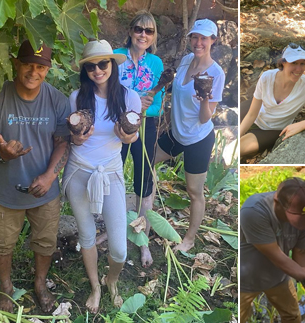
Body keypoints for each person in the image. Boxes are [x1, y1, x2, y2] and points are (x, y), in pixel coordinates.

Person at [0, 40, 70, 313]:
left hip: (44, 190)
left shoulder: (56, 99)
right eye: (27, 64)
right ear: (16, 63)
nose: (33, 71)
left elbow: (63, 142)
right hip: (5, 190)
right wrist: (3, 153)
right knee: (3, 243)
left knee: (45, 241)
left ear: (48, 69)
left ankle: (40, 283)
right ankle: (6, 286)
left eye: (40, 66)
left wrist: (50, 176)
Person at [62, 40, 141, 313]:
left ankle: (112, 279)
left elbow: (133, 135)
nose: (98, 70)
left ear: (112, 65)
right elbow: (73, 140)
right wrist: (77, 138)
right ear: (85, 70)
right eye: (91, 66)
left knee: (119, 248)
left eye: (103, 64)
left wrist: (128, 136)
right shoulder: (77, 98)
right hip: (79, 170)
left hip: (110, 172)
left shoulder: (129, 97)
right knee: (86, 234)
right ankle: (96, 285)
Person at [152, 19, 224, 252]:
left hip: (198, 139)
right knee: (147, 161)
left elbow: (205, 118)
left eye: (204, 38)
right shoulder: (184, 61)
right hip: (176, 133)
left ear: (213, 40)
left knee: (194, 192)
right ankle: (147, 213)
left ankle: (189, 239)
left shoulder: (216, 73)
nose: (198, 42)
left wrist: (204, 100)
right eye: (195, 37)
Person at [240, 178, 305, 323]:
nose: (297, 222)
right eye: (293, 216)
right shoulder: (254, 211)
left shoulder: (303, 216)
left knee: (293, 317)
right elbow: (275, 255)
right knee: (240, 317)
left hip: (279, 278)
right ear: (277, 201)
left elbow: (300, 252)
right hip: (246, 281)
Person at [115, 10, 165, 268]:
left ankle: (142, 238)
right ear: (130, 31)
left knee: (144, 180)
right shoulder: (116, 57)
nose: (143, 35)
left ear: (154, 36)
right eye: (139, 29)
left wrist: (147, 105)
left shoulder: (156, 63)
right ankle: (115, 230)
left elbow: (158, 102)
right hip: (118, 124)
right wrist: (132, 102)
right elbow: (107, 91)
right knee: (114, 173)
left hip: (146, 125)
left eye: (149, 31)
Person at [239, 44, 305, 157]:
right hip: (256, 112)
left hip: (272, 129)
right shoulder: (267, 77)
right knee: (228, 128)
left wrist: (302, 125)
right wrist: (239, 133)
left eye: (302, 63)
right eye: (294, 63)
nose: (299, 69)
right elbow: (252, 113)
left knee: (238, 150)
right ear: (283, 62)